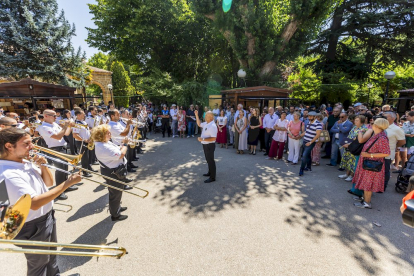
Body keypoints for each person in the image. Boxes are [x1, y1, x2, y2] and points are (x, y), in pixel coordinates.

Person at [0, 127, 81, 275]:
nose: (32, 147)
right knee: (39, 266)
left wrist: (43, 166)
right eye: (26, 143)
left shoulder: (22, 161)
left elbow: (48, 183)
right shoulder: (9, 173)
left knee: (51, 258)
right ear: (9, 146)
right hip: (32, 225)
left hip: (45, 217)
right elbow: (35, 203)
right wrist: (67, 183)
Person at [91, 124, 130, 221]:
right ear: (101, 135)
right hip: (113, 173)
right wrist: (125, 144)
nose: (110, 134)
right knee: (115, 193)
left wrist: (121, 146)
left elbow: (117, 150)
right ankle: (115, 215)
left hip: (115, 171)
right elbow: (121, 155)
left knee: (117, 192)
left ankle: (116, 208)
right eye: (108, 133)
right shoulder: (103, 146)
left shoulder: (104, 142)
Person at [37, 109, 76, 200]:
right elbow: (58, 136)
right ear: (46, 116)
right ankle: (59, 191)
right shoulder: (44, 127)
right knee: (60, 170)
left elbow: (66, 133)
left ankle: (65, 186)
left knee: (65, 168)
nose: (56, 117)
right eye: (54, 116)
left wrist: (69, 126)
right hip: (55, 149)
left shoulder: (54, 124)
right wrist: (65, 126)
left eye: (56, 116)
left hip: (62, 148)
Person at [353, 118, 390, 209]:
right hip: (368, 163)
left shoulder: (382, 137)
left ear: (377, 126)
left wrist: (370, 155)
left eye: (373, 123)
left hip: (372, 164)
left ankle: (367, 203)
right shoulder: (377, 135)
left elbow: (386, 153)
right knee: (366, 182)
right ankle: (364, 199)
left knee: (368, 184)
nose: (371, 124)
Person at [338, 115, 368, 182]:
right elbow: (350, 136)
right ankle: (347, 174)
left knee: (353, 162)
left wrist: (349, 144)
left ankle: (351, 175)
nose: (355, 121)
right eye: (355, 120)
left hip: (355, 147)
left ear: (362, 121)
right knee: (348, 160)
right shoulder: (354, 127)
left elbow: (359, 140)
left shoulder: (363, 129)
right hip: (348, 146)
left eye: (357, 120)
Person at [383, 111, 406, 190]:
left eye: (386, 117)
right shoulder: (381, 126)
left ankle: (383, 186)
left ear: (393, 118)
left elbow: (402, 141)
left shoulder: (397, 129)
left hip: (388, 153)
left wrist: (395, 146)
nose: (384, 118)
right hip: (377, 153)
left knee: (385, 170)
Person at [195, 110, 218, 183]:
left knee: (210, 160)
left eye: (207, 116)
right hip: (205, 144)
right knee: (208, 159)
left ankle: (212, 177)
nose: (205, 117)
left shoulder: (213, 126)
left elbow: (214, 138)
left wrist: (202, 139)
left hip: (210, 145)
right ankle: (209, 172)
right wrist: (196, 115)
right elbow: (199, 124)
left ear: (211, 117)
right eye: (205, 115)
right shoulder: (206, 123)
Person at [299, 111, 322, 176]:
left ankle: (301, 169)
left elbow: (318, 135)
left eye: (311, 116)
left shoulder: (318, 124)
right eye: (309, 116)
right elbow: (307, 131)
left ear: (314, 117)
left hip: (310, 143)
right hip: (305, 140)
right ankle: (309, 167)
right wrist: (300, 136)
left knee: (304, 156)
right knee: (307, 155)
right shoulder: (309, 122)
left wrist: (310, 142)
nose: (309, 117)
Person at [72, 109, 93, 178]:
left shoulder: (83, 122)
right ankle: (85, 172)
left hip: (87, 141)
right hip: (81, 142)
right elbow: (75, 135)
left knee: (89, 156)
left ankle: (89, 168)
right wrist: (84, 140)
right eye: (83, 114)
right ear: (78, 115)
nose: (84, 115)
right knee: (84, 158)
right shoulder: (77, 124)